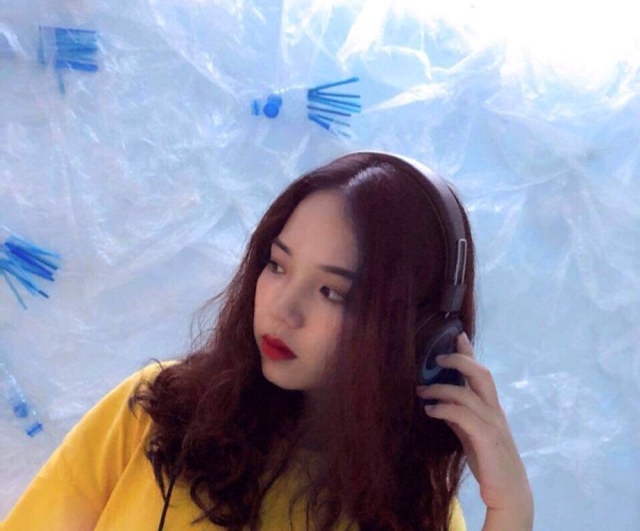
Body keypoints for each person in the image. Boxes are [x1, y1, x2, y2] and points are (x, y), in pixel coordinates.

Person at [0, 151, 533, 531]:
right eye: (277, 265)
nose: (283, 308)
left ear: (414, 334)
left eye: (331, 292)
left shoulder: (412, 511)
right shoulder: (158, 413)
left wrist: (510, 509)